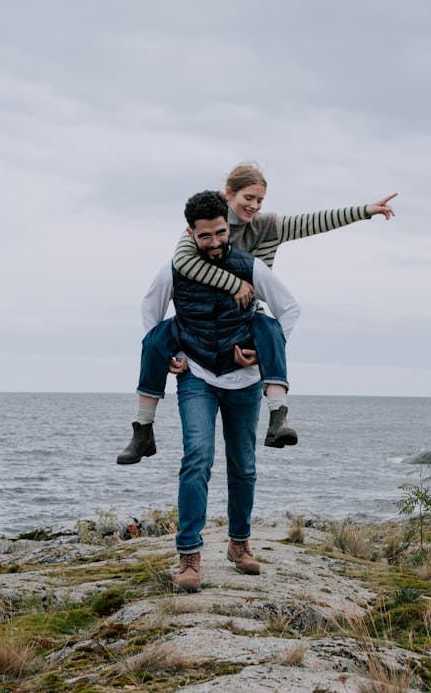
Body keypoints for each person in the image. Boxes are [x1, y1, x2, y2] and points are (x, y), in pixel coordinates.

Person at [117, 163, 397, 466]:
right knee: (155, 341)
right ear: (228, 195)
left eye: (260, 200)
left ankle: (279, 414)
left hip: (242, 318)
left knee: (269, 329)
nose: (254, 206)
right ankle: (143, 428)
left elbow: (314, 222)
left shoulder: (267, 226)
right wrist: (233, 282)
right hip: (201, 322)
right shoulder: (204, 229)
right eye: (248, 198)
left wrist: (365, 210)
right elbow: (182, 264)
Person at [140, 190, 300, 591]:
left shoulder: (250, 267)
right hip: (195, 374)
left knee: (243, 465)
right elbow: (150, 313)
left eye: (220, 233)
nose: (214, 242)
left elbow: (290, 309)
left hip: (243, 381)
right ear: (191, 233)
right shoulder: (172, 270)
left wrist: (261, 357)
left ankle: (239, 544)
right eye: (205, 235)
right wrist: (169, 353)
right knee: (197, 457)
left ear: (229, 227)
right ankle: (189, 556)